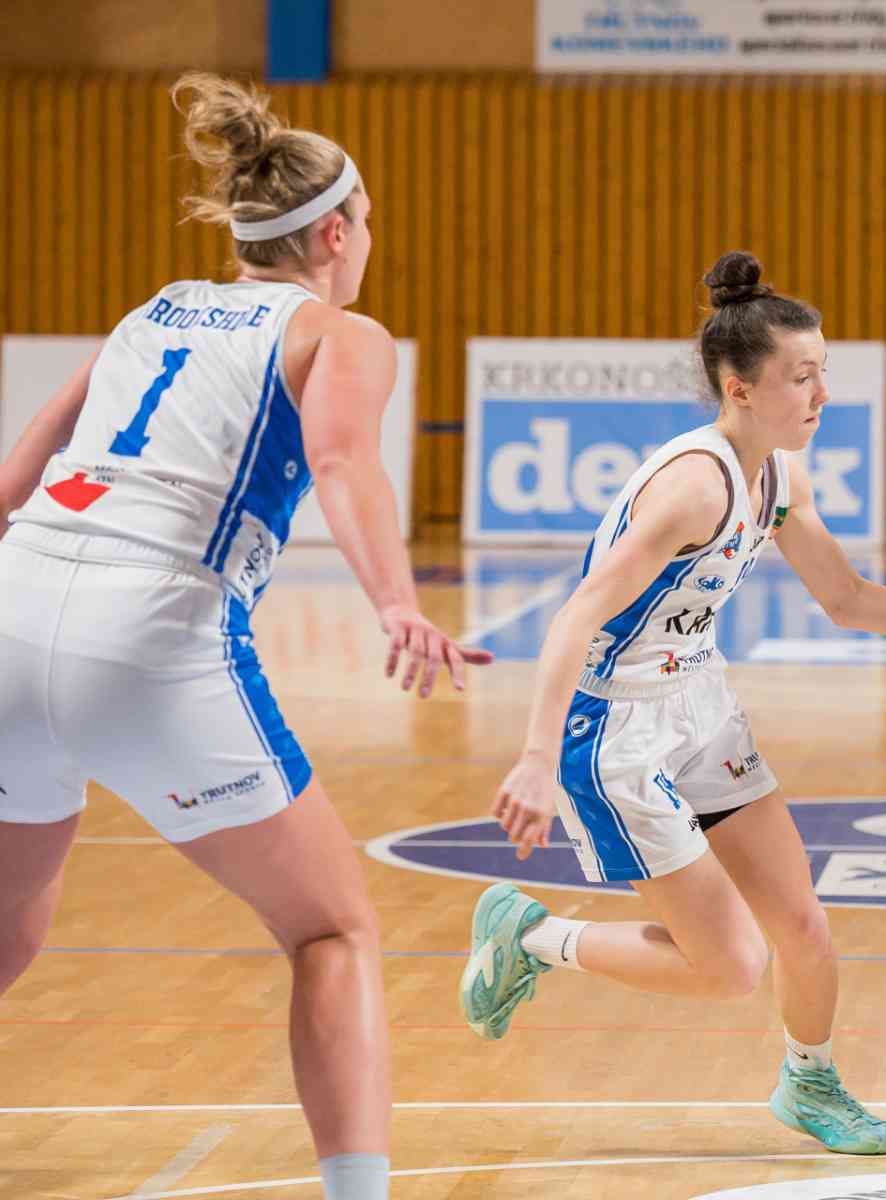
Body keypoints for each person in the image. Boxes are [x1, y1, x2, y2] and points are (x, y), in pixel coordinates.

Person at [0, 74, 490, 1200]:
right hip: (150, 635)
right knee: (330, 932)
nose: (367, 241)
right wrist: (397, 603)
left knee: (7, 934)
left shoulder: (153, 311)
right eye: (367, 221)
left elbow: (27, 460)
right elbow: (343, 463)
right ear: (334, 233)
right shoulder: (339, 332)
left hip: (11, 612)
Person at [459, 250, 886, 1156]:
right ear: (740, 389)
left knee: (802, 921)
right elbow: (575, 616)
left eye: (823, 372)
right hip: (614, 727)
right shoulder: (694, 487)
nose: (821, 394)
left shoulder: (782, 475)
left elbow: (847, 598)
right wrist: (532, 757)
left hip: (700, 701)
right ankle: (531, 937)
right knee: (730, 967)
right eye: (801, 377)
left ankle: (811, 1082)